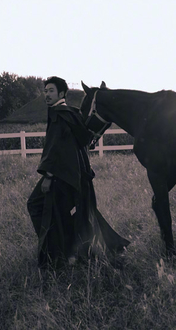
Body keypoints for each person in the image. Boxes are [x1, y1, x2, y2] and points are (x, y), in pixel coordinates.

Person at [27, 76, 129, 269]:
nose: (46, 94)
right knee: (69, 211)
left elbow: (57, 147)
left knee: (36, 204)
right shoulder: (72, 113)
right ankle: (73, 250)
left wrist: (48, 176)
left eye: (50, 90)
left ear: (62, 93)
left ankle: (56, 252)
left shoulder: (59, 115)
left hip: (61, 175)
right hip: (76, 175)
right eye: (45, 91)